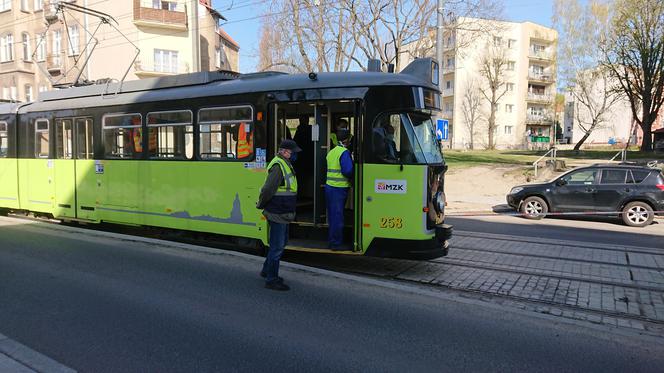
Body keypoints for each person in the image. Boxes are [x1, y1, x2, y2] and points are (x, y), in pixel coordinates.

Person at [256, 139, 302, 291]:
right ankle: (272, 280)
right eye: (292, 152)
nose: (294, 154)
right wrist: (261, 204)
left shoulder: (285, 164)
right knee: (277, 247)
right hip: (277, 211)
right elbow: (268, 189)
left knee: (279, 244)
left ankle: (266, 271)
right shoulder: (278, 166)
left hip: (283, 211)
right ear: (283, 151)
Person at [325, 129, 353, 249]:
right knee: (338, 217)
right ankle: (335, 244)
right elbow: (347, 170)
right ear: (347, 140)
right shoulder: (344, 152)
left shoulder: (332, 152)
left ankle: (332, 241)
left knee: (333, 216)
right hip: (339, 188)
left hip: (330, 187)